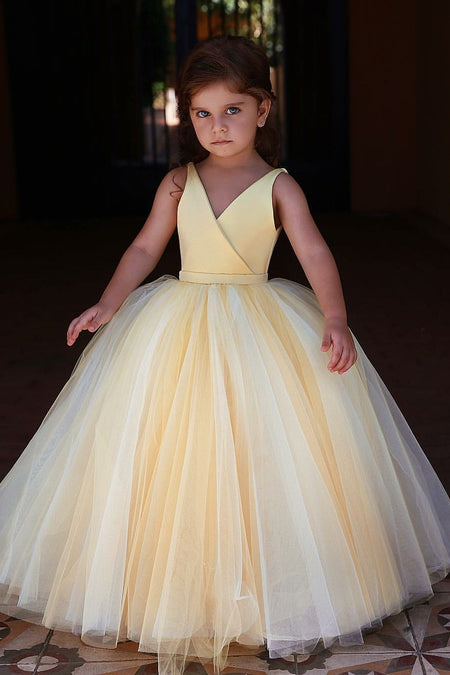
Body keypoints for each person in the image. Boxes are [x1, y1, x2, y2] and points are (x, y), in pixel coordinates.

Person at [0, 34, 449, 675]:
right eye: (203, 113)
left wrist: (336, 318)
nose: (217, 126)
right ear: (188, 117)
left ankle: (271, 586)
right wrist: (108, 303)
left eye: (233, 110)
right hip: (176, 324)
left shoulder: (279, 187)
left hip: (261, 322)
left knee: (264, 450)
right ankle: (169, 586)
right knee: (172, 452)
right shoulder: (179, 182)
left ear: (263, 110)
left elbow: (316, 252)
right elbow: (143, 250)